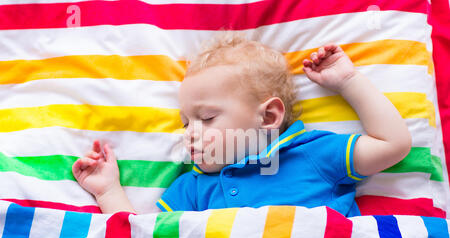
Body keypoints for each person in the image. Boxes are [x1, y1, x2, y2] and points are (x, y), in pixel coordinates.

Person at [72, 32, 411, 216]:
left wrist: (348, 80)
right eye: (186, 122)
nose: (191, 132)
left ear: (267, 117)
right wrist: (109, 191)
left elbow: (393, 144)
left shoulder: (312, 155)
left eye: (206, 118)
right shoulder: (194, 189)